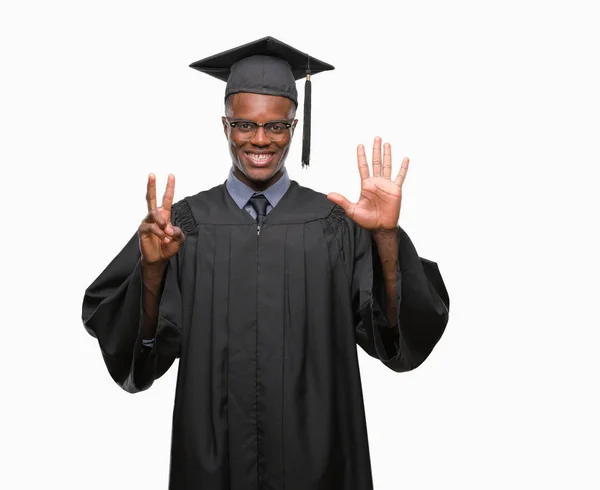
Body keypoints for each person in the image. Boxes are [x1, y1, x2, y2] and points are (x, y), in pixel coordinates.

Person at [82, 36, 450, 490]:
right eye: (245, 125)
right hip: (212, 464)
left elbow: (397, 338)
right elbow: (134, 353)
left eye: (276, 127)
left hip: (319, 461)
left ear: (294, 127)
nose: (260, 140)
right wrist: (152, 272)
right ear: (225, 125)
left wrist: (386, 238)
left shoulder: (336, 225)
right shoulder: (183, 227)